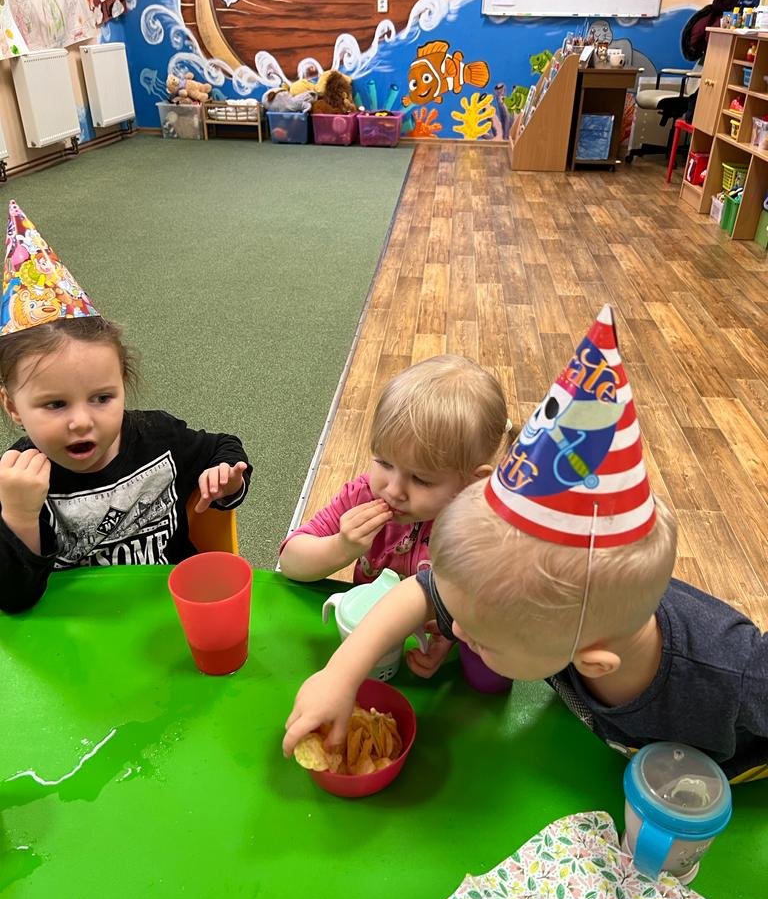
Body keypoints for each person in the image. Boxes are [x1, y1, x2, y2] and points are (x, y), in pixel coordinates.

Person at [283, 307, 768, 783]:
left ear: (591, 661)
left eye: (481, 638)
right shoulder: (548, 619)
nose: (457, 628)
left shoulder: (734, 676)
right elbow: (422, 592)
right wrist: (339, 676)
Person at [0, 201, 251, 614]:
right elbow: (13, 600)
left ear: (122, 384)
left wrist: (226, 481)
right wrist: (19, 515)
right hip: (74, 628)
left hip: (168, 610)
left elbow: (223, 447)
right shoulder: (16, 480)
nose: (82, 422)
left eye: (102, 398)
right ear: (13, 407)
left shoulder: (158, 436)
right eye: (55, 404)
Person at [279, 353, 514, 678]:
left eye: (421, 479)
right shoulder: (363, 495)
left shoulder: (481, 526)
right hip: (365, 646)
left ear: (473, 481)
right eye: (384, 463)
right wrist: (341, 547)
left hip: (426, 654)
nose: (393, 490)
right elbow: (290, 561)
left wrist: (450, 635)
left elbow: (491, 607)